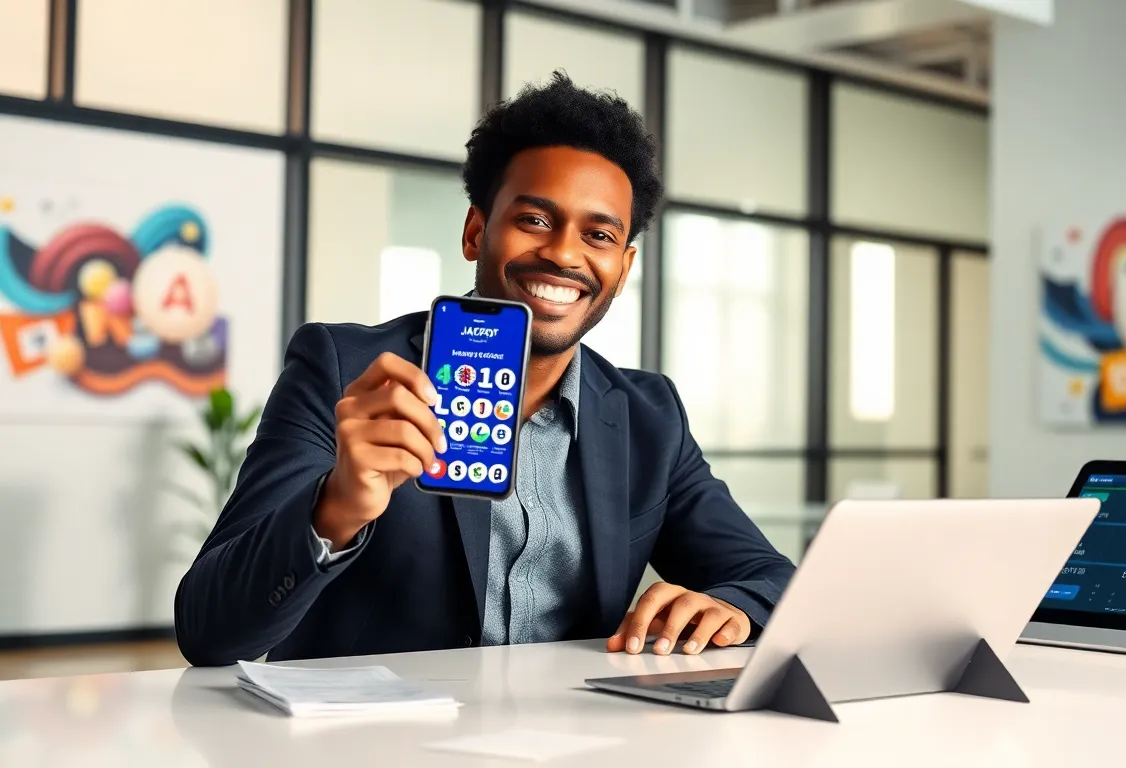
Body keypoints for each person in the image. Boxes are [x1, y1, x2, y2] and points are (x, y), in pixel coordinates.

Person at [174, 72, 797, 666]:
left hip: (574, 729)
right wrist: (334, 508)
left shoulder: (649, 416)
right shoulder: (344, 371)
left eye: (599, 236)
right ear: (476, 231)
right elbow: (208, 630)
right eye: (534, 220)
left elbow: (770, 578)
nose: (563, 254)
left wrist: (730, 608)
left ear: (624, 268)